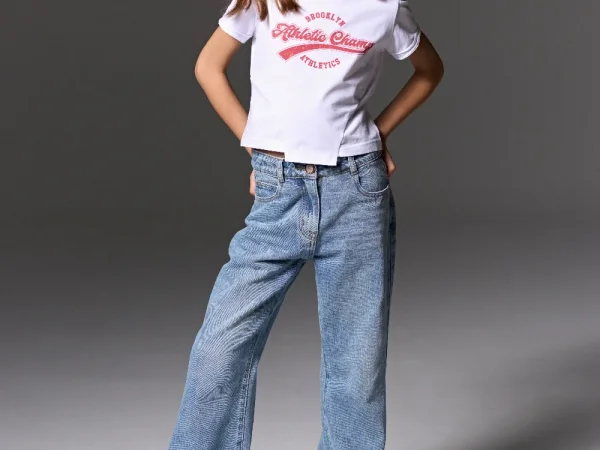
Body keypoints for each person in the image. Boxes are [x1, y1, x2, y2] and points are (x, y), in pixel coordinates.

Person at [168, 0, 443, 448]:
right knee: (219, 349)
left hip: (355, 192)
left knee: (355, 369)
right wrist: (257, 149)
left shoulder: (383, 8)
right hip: (279, 189)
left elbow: (429, 70)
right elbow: (208, 67)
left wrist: (379, 132)